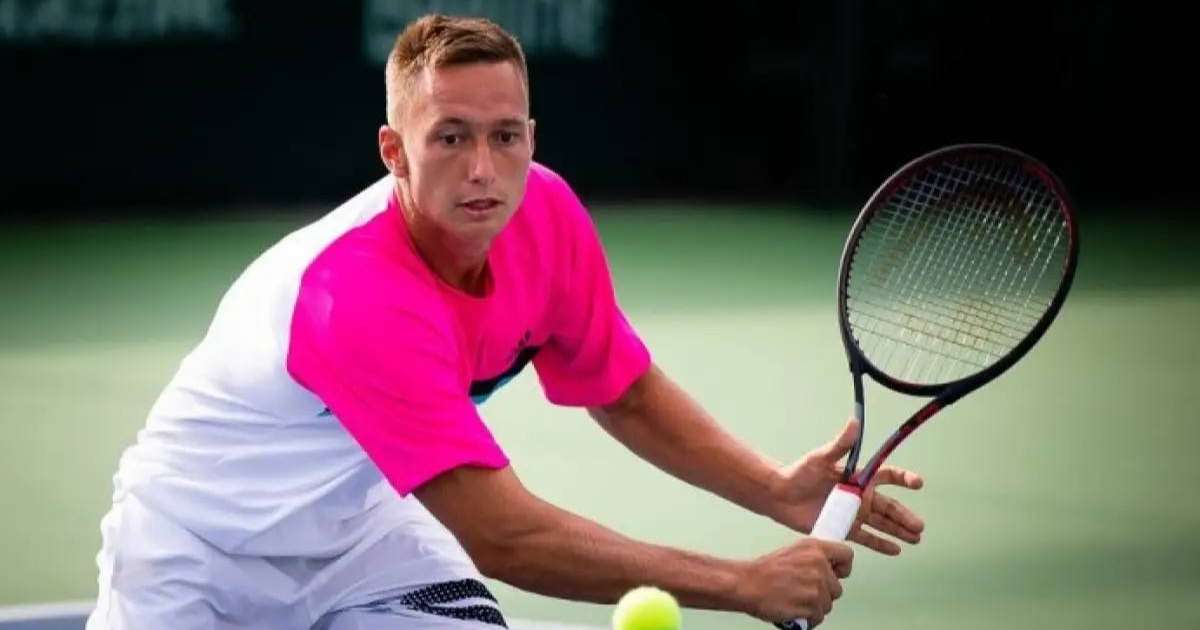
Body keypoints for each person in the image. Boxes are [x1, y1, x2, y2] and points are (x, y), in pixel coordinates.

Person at [87, 14, 925, 630]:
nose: (483, 170)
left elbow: (623, 392)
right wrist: (742, 584)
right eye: (450, 138)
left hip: (359, 537)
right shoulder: (355, 295)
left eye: (504, 136)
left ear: (532, 136)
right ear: (393, 151)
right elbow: (506, 536)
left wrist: (773, 489)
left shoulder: (545, 215)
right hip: (199, 555)